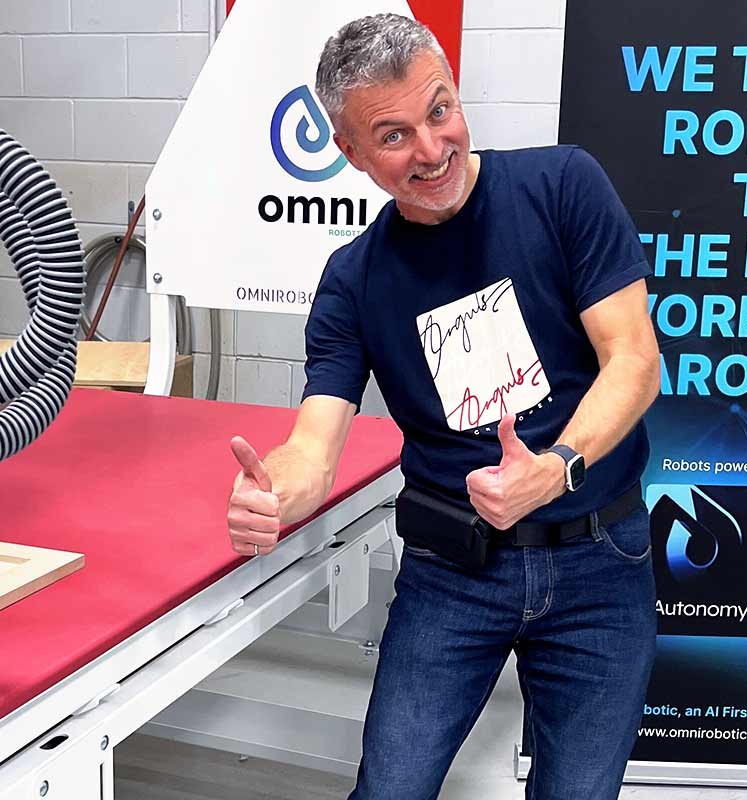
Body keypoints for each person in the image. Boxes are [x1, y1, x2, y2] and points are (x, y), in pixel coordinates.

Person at [224, 13, 662, 800]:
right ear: (351, 154)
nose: (432, 150)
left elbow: (633, 359)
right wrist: (276, 493)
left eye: (439, 110)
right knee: (390, 788)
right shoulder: (354, 279)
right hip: (454, 575)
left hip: (601, 555)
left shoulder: (562, 186)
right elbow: (314, 442)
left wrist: (556, 468)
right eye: (393, 136)